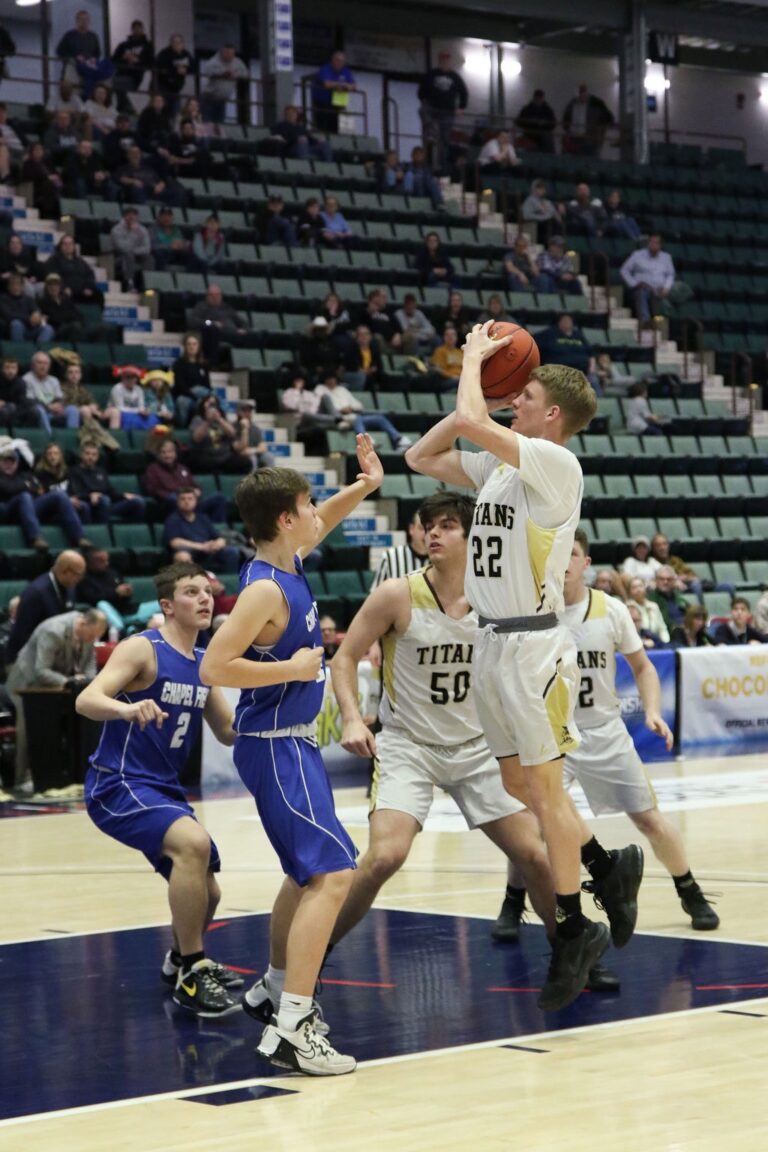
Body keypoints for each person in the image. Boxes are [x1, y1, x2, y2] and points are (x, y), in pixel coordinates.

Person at [405, 326, 639, 1011]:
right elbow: (423, 455)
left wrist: (476, 365)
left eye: (526, 395)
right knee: (516, 783)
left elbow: (475, 419)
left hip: (535, 647)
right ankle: (606, 866)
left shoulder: (555, 467)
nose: (516, 402)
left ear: (552, 415)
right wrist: (474, 404)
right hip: (491, 645)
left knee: (545, 793)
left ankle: (573, 927)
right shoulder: (503, 471)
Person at [200, 442, 384, 1075]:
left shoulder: (288, 561)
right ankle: (292, 1026)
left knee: (307, 875)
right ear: (284, 519)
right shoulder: (261, 592)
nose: (315, 513)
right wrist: (295, 665)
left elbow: (325, 520)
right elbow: (213, 665)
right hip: (276, 747)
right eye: (306, 505)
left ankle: (278, 987)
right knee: (334, 876)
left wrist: (364, 486)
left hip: (288, 744)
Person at [327, 493, 566, 965]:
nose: (433, 533)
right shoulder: (398, 593)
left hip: (478, 748)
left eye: (447, 525)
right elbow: (344, 657)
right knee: (384, 858)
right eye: (428, 525)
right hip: (409, 745)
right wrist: (354, 717)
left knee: (535, 857)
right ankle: (315, 950)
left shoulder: (497, 597)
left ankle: (570, 955)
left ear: (473, 535)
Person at [497, 528, 718, 938]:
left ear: (585, 562)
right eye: (556, 554)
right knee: (536, 821)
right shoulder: (532, 610)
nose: (562, 562)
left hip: (603, 729)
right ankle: (513, 902)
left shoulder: (611, 609)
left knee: (649, 819)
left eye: (572, 554)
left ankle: (689, 889)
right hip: (551, 734)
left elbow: (644, 667)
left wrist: (652, 711)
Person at [76, 563, 243, 1017]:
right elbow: (86, 699)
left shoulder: (203, 663)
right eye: (192, 592)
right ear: (168, 606)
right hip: (119, 781)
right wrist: (126, 711)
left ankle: (176, 960)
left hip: (163, 789)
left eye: (207, 592)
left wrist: (274, 712)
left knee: (210, 893)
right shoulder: (142, 649)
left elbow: (228, 731)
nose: (204, 599)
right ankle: (193, 970)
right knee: (193, 844)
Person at [8, 607, 107, 789]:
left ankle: (68, 775)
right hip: (26, 684)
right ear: (83, 623)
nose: (93, 640)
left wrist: (89, 683)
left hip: (57, 688)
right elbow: (41, 670)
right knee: (27, 728)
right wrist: (70, 681)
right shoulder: (53, 630)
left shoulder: (87, 633)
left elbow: (90, 664)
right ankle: (21, 779)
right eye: (92, 635)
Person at [0, 443, 88, 551]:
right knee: (25, 496)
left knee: (59, 495)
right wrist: (25, 486)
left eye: (12, 461)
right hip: (9, 510)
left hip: (29, 509)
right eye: (5, 461)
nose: (8, 465)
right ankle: (36, 538)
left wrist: (27, 488)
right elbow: (7, 489)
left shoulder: (24, 475)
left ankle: (79, 537)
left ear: (17, 464)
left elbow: (38, 490)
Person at [7, 549, 86, 663]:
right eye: (78, 575)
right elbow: (23, 634)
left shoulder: (69, 588)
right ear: (64, 571)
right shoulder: (36, 593)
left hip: (52, 656)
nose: (80, 579)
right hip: (26, 660)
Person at [315, 372, 411, 451]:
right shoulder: (320, 389)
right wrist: (340, 409)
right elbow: (319, 407)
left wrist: (351, 408)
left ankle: (399, 439)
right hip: (336, 418)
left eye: (333, 378)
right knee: (357, 418)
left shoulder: (342, 389)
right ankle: (367, 443)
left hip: (353, 415)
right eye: (329, 378)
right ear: (325, 379)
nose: (332, 381)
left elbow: (359, 405)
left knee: (379, 418)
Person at [143, 437, 229, 523]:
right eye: (163, 452)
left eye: (170, 452)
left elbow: (194, 485)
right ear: (159, 455)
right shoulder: (153, 469)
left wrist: (197, 490)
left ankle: (217, 529)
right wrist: (176, 496)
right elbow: (153, 490)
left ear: (175, 454)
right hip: (171, 503)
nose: (167, 455)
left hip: (192, 501)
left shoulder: (182, 468)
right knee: (175, 499)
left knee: (219, 497)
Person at [163, 488, 240, 575]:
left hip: (208, 553)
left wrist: (219, 543)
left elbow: (217, 537)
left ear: (196, 501)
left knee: (231, 552)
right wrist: (201, 547)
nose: (186, 501)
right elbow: (174, 542)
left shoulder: (203, 518)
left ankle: (232, 582)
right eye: (183, 499)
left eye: (190, 498)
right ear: (177, 502)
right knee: (182, 556)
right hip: (191, 553)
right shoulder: (173, 519)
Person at [68, 440, 146, 524]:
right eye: (87, 454)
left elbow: (109, 491)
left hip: (107, 504)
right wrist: (90, 495)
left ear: (97, 457)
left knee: (138, 501)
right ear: (81, 455)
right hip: (90, 505)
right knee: (104, 499)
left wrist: (124, 495)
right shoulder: (74, 471)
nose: (90, 457)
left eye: (94, 454)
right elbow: (75, 493)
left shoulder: (101, 471)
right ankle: (103, 532)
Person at [417, 51, 468, 172]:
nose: (445, 63)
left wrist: (461, 107)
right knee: (423, 112)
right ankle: (431, 132)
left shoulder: (455, 77)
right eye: (443, 61)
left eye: (447, 61)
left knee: (445, 139)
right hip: (433, 108)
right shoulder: (432, 74)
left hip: (447, 111)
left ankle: (443, 165)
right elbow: (421, 90)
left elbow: (464, 92)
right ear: (439, 62)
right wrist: (424, 100)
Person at [620, 234, 675, 329]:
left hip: (659, 290)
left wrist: (666, 287)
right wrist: (634, 284)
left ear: (660, 245)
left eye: (656, 243)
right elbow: (624, 270)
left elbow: (670, 274)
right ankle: (645, 322)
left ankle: (662, 324)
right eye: (651, 242)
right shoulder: (637, 255)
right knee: (642, 292)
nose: (653, 245)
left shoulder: (666, 257)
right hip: (642, 288)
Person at [188, 394, 251, 475]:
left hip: (224, 458)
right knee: (193, 462)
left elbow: (232, 433)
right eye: (208, 402)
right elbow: (196, 438)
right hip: (205, 457)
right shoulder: (198, 419)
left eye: (213, 403)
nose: (211, 406)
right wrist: (208, 421)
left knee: (246, 463)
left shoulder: (223, 420)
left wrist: (219, 419)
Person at [371, 509, 428, 587]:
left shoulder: (443, 559)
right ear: (411, 529)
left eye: (430, 529)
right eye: (421, 528)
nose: (426, 534)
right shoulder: (390, 558)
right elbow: (375, 596)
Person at [111, 20, 154, 112]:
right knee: (113, 84)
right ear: (132, 30)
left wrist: (138, 61)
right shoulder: (123, 45)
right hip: (121, 73)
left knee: (117, 85)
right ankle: (125, 108)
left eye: (139, 28)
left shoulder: (147, 46)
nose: (137, 30)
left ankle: (127, 108)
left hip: (136, 77)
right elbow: (113, 60)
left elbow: (151, 62)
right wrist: (124, 58)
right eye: (135, 28)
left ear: (142, 29)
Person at [200, 44, 248, 125]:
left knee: (220, 124)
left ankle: (217, 137)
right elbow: (207, 71)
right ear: (222, 52)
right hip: (209, 98)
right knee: (207, 124)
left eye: (232, 53)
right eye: (227, 53)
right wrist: (223, 73)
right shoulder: (214, 61)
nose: (229, 56)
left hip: (223, 100)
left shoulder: (237, 62)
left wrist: (237, 75)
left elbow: (246, 73)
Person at [0, 274, 53, 346]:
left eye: (18, 284)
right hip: (11, 330)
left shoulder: (28, 299)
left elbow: (36, 310)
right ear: (8, 287)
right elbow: (8, 315)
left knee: (48, 328)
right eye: (13, 284)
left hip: (29, 329)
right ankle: (20, 352)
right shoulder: (3, 299)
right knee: (16, 323)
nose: (15, 286)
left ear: (22, 286)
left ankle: (39, 352)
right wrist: (28, 318)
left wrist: (37, 315)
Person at [311, 50, 357, 134]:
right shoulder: (326, 68)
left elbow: (354, 86)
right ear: (332, 60)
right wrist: (341, 85)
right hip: (323, 104)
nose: (339, 63)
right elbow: (326, 84)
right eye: (337, 60)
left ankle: (345, 142)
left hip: (339, 104)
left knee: (344, 123)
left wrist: (343, 86)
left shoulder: (345, 71)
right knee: (323, 129)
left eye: (342, 61)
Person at [562, 84, 614, 156]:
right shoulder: (572, 104)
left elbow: (608, 118)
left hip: (590, 140)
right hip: (574, 138)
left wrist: (599, 133)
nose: (580, 97)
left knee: (590, 160)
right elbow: (566, 119)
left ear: (586, 93)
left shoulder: (596, 104)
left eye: (582, 94)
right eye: (579, 95)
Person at [110, 206, 153, 291]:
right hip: (119, 257)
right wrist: (132, 233)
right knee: (128, 256)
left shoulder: (142, 229)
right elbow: (122, 248)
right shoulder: (116, 229)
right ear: (124, 217)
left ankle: (145, 285)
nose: (132, 217)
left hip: (137, 255)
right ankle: (129, 283)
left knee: (150, 258)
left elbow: (147, 248)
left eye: (134, 215)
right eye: (129, 215)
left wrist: (134, 251)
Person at [155, 34, 195, 116]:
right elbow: (159, 67)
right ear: (171, 43)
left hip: (176, 88)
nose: (177, 44)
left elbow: (193, 67)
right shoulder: (164, 53)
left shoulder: (186, 54)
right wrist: (175, 70)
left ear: (182, 43)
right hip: (164, 86)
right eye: (175, 42)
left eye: (179, 42)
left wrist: (186, 70)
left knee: (176, 112)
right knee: (164, 110)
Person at [627, 576, 670, 644]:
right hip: (639, 644)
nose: (638, 589)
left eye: (640, 586)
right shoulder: (627, 608)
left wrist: (665, 643)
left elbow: (662, 629)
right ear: (629, 591)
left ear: (645, 588)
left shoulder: (654, 606)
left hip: (657, 642)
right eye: (634, 587)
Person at [521, 179, 564, 245]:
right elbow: (526, 215)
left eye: (542, 187)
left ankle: (556, 244)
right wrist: (542, 217)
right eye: (538, 187)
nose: (541, 190)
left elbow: (555, 215)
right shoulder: (529, 201)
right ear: (534, 188)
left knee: (556, 224)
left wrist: (560, 214)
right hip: (536, 226)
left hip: (549, 225)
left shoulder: (548, 202)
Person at [647, 565, 688, 632]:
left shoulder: (678, 597)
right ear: (656, 580)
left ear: (674, 581)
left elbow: (691, 611)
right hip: (669, 633)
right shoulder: (651, 599)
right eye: (661, 579)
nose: (665, 582)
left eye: (669, 579)